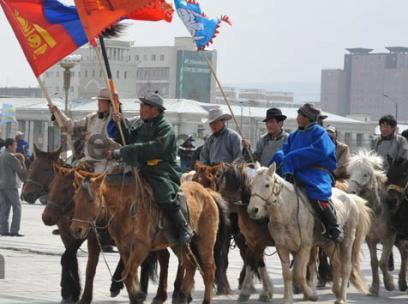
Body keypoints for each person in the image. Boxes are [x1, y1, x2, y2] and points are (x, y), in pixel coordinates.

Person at [108, 93, 193, 245]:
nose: (140, 109)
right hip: (142, 169)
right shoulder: (142, 125)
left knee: (163, 192)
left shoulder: (165, 128)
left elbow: (152, 148)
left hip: (162, 170)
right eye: (141, 106)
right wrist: (120, 123)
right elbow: (128, 139)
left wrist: (122, 152)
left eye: (144, 106)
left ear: (155, 110)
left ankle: (183, 227)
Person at [271, 103, 343, 243]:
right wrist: (280, 156)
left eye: (300, 115)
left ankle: (333, 226)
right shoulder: (294, 134)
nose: (297, 118)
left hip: (315, 172)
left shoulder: (319, 132)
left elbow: (320, 151)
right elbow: (286, 150)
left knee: (317, 194)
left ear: (307, 118)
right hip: (296, 170)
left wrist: (294, 157)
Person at [48, 87, 120, 173]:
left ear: (110, 103)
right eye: (98, 100)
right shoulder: (91, 119)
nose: (98, 103)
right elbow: (72, 127)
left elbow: (115, 144)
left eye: (101, 101)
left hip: (106, 165)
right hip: (87, 162)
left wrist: (90, 136)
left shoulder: (118, 123)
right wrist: (57, 113)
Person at [0, 138, 26, 236]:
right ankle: (14, 230)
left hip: (1, 186)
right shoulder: (11, 157)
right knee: (17, 207)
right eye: (15, 145)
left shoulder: (1, 155)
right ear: (10, 146)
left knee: (4, 208)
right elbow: (21, 171)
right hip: (10, 186)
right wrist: (22, 161)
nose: (16, 147)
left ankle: (3, 230)